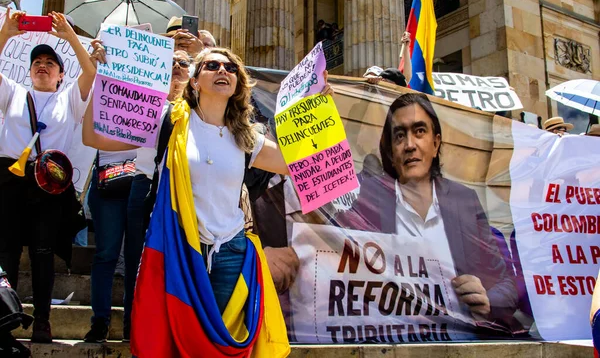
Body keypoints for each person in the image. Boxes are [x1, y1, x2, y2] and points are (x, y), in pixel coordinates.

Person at [83, 47, 333, 354]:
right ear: (194, 81)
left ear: (238, 83)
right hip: (177, 250)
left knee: (216, 345)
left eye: (230, 68)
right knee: (174, 342)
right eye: (212, 65)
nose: (222, 70)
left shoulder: (247, 137)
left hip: (230, 252)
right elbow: (95, 138)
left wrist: (318, 106)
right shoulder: (168, 121)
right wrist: (98, 81)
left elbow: (294, 161)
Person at [334, 93, 519, 332]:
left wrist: (487, 300)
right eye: (399, 135)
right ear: (391, 151)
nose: (410, 144)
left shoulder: (465, 202)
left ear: (436, 143)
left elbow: (507, 285)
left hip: (459, 342)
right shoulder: (367, 201)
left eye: (419, 131)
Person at [0, 9, 99, 343]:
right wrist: (6, 34)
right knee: (8, 251)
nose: (43, 65)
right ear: (30, 72)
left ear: (60, 75)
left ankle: (42, 319)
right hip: (11, 180)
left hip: (48, 184)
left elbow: (90, 71)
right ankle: (5, 319)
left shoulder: (69, 97)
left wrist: (69, 36)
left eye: (50, 63)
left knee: (43, 252)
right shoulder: (13, 92)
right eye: (37, 62)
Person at [83, 49, 193, 343]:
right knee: (137, 263)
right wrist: (102, 80)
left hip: (187, 192)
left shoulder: (202, 111)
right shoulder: (145, 105)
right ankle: (134, 330)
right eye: (170, 63)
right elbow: (95, 137)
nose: (177, 68)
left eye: (184, 63)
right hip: (144, 188)